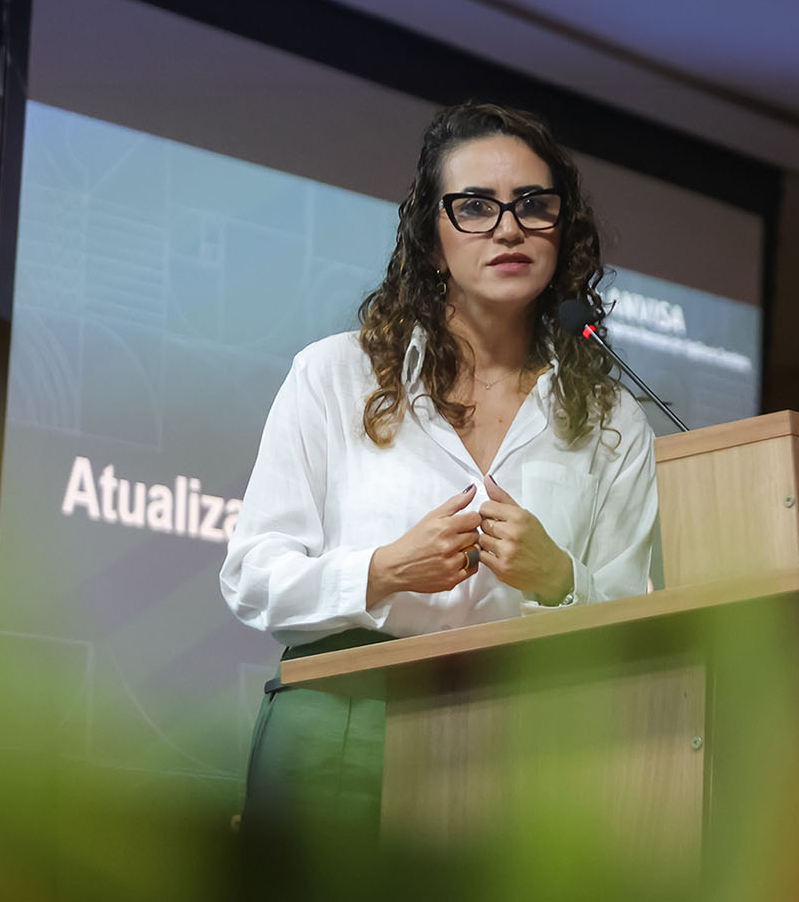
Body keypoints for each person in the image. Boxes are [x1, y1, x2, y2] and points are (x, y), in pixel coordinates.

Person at [220, 102, 658, 838]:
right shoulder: (336, 375)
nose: (510, 228)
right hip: (343, 718)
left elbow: (639, 634)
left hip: (525, 739)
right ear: (431, 239)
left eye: (534, 204)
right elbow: (253, 577)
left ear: (563, 229)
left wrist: (561, 579)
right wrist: (384, 570)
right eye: (476, 206)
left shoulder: (614, 420)